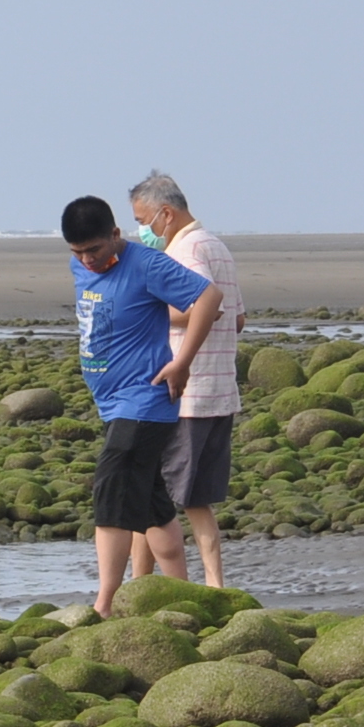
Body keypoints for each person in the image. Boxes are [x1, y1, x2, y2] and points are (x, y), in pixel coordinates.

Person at [62, 195, 220, 614]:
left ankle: (105, 603)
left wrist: (182, 362)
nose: (87, 260)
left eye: (94, 249)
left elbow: (209, 298)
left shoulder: (146, 263)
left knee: (110, 495)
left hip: (144, 401)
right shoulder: (80, 264)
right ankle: (181, 598)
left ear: (115, 235)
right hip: (113, 404)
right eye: (78, 252)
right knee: (153, 507)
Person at [126, 172, 241, 588]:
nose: (142, 229)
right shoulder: (216, 245)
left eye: (143, 219)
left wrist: (146, 312)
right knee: (179, 498)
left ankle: (198, 585)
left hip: (185, 394)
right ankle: (152, 582)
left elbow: (204, 308)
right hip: (219, 390)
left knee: (169, 499)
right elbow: (237, 316)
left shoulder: (186, 249)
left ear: (166, 214)